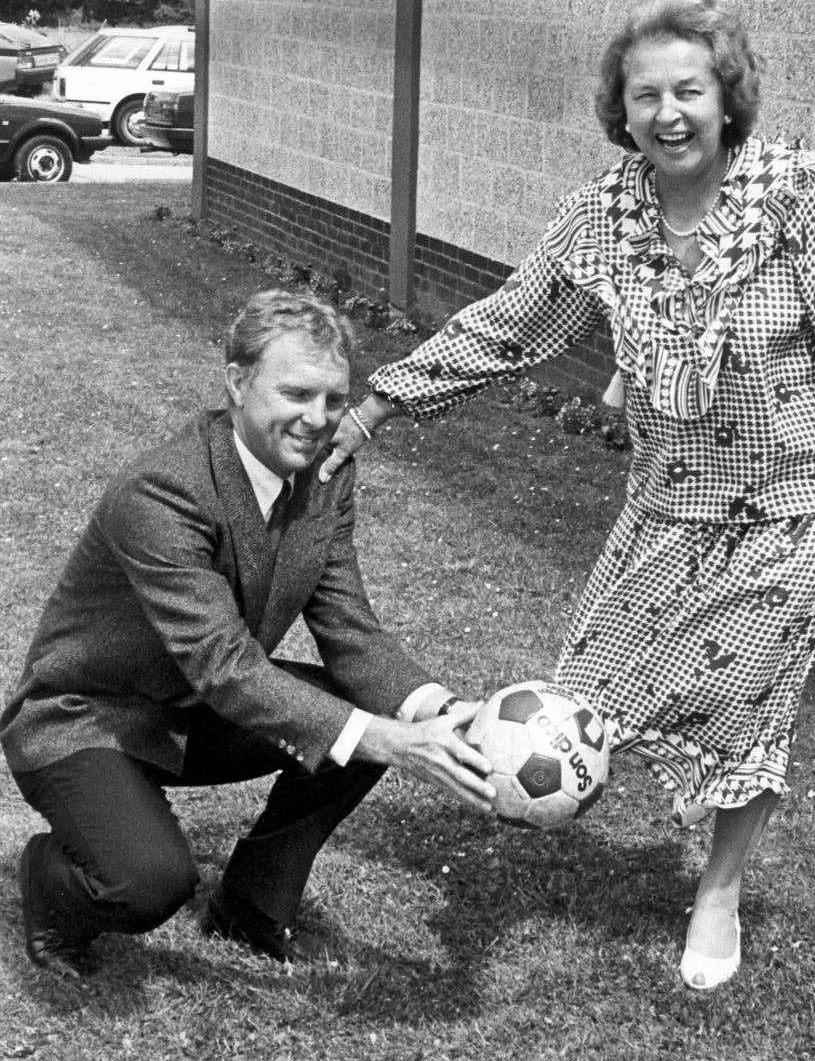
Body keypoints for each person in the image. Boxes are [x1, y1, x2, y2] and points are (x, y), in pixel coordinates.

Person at [319, 0, 815, 990]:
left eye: (690, 89)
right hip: (668, 498)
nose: (669, 112)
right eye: (647, 95)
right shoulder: (605, 213)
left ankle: (717, 889)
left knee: (742, 709)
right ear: (621, 109)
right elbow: (511, 321)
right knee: (585, 694)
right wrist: (380, 403)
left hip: (793, 507)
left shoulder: (798, 199)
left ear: (729, 99)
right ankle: (540, 798)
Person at [1, 289, 495, 981]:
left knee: (350, 722)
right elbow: (224, 663)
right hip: (87, 719)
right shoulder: (162, 490)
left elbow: (348, 627)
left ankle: (251, 904)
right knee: (148, 882)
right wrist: (384, 735)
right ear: (236, 382)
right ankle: (49, 880)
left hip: (198, 711)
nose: (318, 420)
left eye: (333, 399)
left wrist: (438, 712)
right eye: (295, 392)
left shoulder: (327, 477)